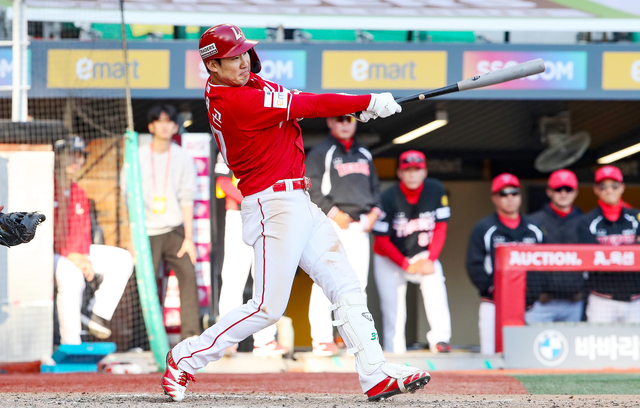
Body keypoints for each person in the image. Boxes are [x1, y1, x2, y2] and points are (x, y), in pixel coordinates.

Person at [161, 24, 430, 403]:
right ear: (213, 66)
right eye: (232, 57)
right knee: (267, 308)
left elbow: (300, 100)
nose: (243, 61)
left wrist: (358, 107)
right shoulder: (235, 102)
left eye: (244, 52)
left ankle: (374, 372)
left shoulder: (243, 84)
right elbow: (310, 106)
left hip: (298, 201)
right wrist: (368, 100)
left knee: (346, 284)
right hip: (272, 205)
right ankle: (185, 357)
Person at [121, 104, 201, 340]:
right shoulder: (137, 156)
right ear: (151, 126)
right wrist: (131, 237)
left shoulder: (183, 157)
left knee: (188, 276)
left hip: (175, 230)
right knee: (144, 284)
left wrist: (189, 238)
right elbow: (127, 197)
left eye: (169, 121)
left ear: (175, 127)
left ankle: (191, 337)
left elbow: (187, 197)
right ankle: (142, 340)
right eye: (159, 121)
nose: (164, 126)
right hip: (146, 231)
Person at [305, 115, 382, 356]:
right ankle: (322, 339)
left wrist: (375, 213)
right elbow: (309, 187)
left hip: (360, 225)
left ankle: (357, 340)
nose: (345, 123)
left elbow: (376, 190)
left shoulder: (364, 153)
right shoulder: (321, 151)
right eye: (340, 119)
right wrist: (333, 213)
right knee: (326, 282)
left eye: (350, 119)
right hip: (332, 223)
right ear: (330, 122)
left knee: (358, 285)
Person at [54, 136, 134, 344]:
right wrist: (73, 256)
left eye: (80, 155)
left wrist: (83, 258)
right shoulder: (47, 185)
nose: (76, 160)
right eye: (71, 154)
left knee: (123, 259)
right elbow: (44, 231)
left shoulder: (79, 192)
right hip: (50, 253)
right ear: (59, 156)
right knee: (72, 275)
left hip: (75, 253)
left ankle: (95, 313)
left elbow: (83, 232)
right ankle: (71, 343)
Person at [372, 150, 452, 354]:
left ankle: (440, 339)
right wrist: (405, 264)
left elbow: (441, 228)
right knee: (393, 307)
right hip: (389, 258)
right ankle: (394, 350)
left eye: (417, 169)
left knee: (435, 278)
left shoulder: (435, 189)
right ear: (400, 173)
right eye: (408, 170)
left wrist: (431, 259)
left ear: (425, 172)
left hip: (420, 253)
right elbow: (381, 240)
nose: (413, 174)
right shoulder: (388, 197)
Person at [214, 152, 288, 357]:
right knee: (234, 278)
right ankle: (226, 340)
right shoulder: (230, 141)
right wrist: (253, 201)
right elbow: (223, 182)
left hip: (268, 216)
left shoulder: (273, 143)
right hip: (240, 213)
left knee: (265, 278)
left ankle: (265, 340)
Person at [465, 173, 543, 355]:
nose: (510, 198)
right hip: (494, 305)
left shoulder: (535, 228)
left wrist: (536, 290)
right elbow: (474, 264)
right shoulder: (484, 228)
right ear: (494, 197)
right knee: (492, 356)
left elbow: (546, 262)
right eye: (503, 194)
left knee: (530, 357)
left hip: (530, 306)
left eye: (514, 193)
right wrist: (494, 289)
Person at [577, 165, 640, 323]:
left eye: (614, 185)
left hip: (635, 299)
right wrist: (631, 247)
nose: (609, 190)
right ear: (595, 189)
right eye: (602, 186)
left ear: (622, 187)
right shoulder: (587, 221)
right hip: (602, 300)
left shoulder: (637, 217)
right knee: (597, 340)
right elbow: (594, 259)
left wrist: (611, 250)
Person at [527, 169, 585, 323]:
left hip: (574, 301)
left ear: (576, 192)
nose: (563, 193)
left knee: (573, 340)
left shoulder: (584, 222)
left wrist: (583, 291)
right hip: (541, 302)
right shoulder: (533, 222)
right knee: (535, 339)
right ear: (549, 191)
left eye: (568, 189)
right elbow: (525, 260)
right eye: (558, 189)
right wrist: (534, 293)